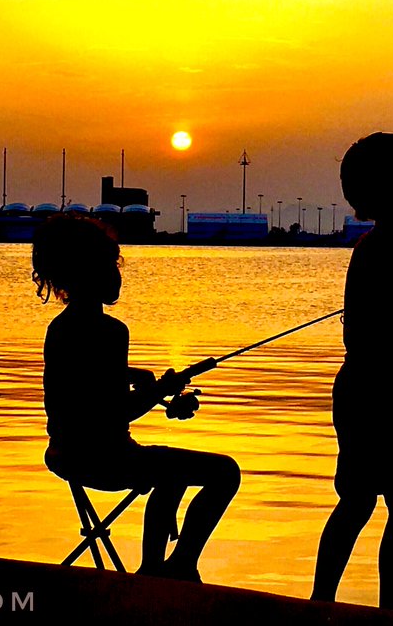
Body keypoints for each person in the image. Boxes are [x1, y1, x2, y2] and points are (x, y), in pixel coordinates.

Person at [32, 214, 240, 582]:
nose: (118, 274)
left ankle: (153, 570)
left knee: (169, 472)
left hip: (66, 453)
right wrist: (160, 390)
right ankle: (178, 565)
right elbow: (114, 414)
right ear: (88, 271)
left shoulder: (61, 328)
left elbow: (84, 384)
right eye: (111, 265)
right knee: (225, 473)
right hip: (107, 459)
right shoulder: (110, 332)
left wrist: (139, 378)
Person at [311, 132, 393, 610]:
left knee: (367, 503)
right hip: (386, 399)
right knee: (392, 508)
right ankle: (382, 610)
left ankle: (326, 602)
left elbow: (367, 336)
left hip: (369, 395)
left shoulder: (370, 250)